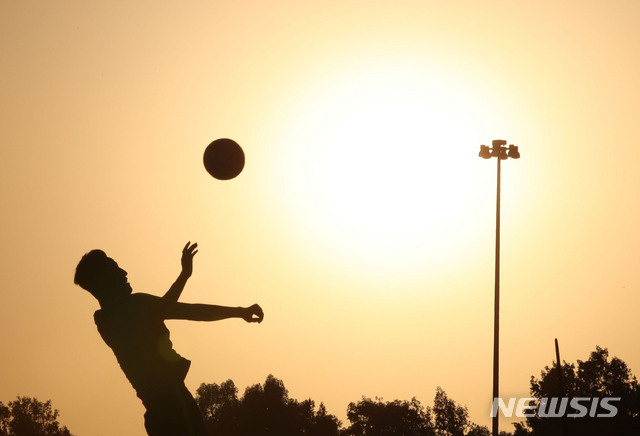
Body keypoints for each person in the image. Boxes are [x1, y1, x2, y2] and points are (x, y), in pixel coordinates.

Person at [73, 242, 264, 436]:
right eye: (115, 269)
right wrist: (240, 311)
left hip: (158, 416)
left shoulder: (105, 320)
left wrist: (184, 276)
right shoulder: (135, 305)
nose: (124, 272)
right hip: (175, 407)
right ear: (105, 281)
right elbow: (190, 311)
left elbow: (160, 309)